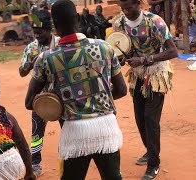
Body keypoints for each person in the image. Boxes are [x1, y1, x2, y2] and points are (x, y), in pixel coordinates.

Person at [25, 0, 127, 179]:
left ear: (55, 25)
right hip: (106, 127)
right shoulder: (105, 47)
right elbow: (121, 90)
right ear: (78, 18)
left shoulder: (46, 59)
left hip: (74, 131)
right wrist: (100, 98)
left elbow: (29, 102)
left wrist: (59, 105)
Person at [113, 0, 178, 179]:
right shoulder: (118, 23)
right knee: (140, 118)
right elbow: (118, 48)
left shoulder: (154, 21)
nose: (126, 11)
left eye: (129, 7)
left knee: (150, 119)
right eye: (122, 8)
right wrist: (119, 59)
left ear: (139, 4)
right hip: (137, 75)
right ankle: (151, 151)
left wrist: (144, 60)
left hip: (156, 74)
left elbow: (173, 51)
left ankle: (153, 164)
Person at [19, 9, 60, 177]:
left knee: (68, 128)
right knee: (36, 132)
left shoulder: (59, 43)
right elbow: (21, 72)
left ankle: (70, 158)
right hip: (39, 97)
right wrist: (30, 64)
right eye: (34, 32)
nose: (36, 35)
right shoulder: (31, 48)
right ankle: (35, 163)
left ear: (49, 29)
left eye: (40, 32)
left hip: (60, 94)